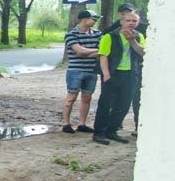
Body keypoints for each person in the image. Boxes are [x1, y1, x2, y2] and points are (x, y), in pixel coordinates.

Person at [92, 9, 146, 146]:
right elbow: (103, 55)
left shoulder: (139, 36)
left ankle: (112, 130)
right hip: (112, 73)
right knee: (105, 104)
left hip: (131, 74)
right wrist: (106, 74)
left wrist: (132, 41)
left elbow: (142, 53)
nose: (131, 23)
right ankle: (99, 132)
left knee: (123, 105)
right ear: (122, 21)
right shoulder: (110, 36)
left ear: (138, 23)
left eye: (134, 21)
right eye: (128, 20)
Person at [61, 9, 101, 134]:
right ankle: (66, 123)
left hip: (91, 70)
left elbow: (102, 51)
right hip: (75, 70)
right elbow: (78, 51)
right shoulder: (71, 34)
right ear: (85, 19)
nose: (95, 21)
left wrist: (86, 52)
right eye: (94, 19)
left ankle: (81, 123)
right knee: (72, 96)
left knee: (87, 97)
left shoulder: (98, 33)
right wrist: (96, 51)